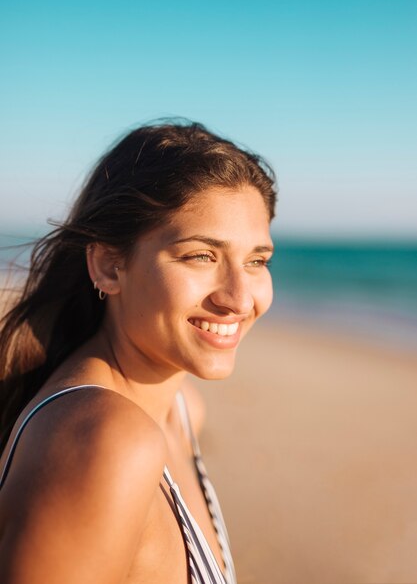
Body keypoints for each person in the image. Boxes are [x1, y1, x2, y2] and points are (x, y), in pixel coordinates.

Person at [0, 120, 276, 584]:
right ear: (109, 266)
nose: (239, 297)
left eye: (256, 261)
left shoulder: (182, 410)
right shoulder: (108, 441)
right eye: (200, 256)